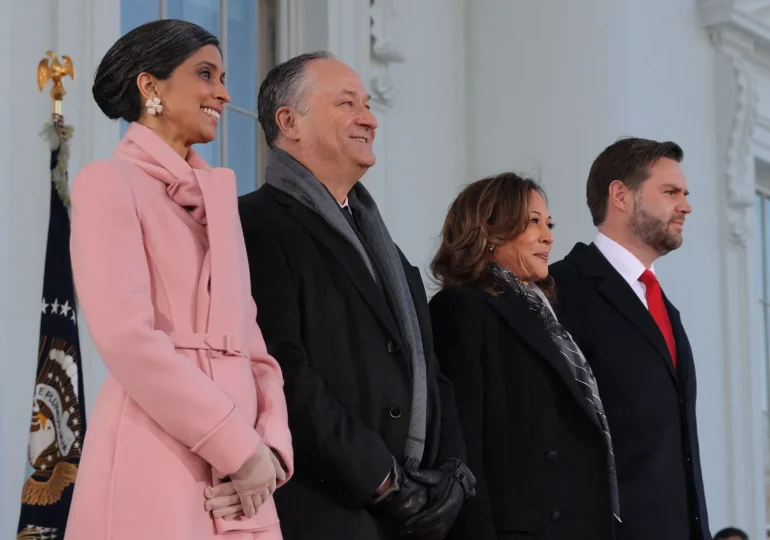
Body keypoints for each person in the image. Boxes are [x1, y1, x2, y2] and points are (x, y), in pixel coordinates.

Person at [65, 19, 293, 540]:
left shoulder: (220, 201)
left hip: (244, 480)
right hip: (156, 454)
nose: (224, 92)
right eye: (205, 74)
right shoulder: (108, 183)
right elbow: (127, 338)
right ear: (151, 87)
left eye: (223, 75)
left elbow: (254, 345)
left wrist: (271, 449)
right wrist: (237, 445)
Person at [236, 51, 475, 539]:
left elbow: (432, 372)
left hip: (408, 518)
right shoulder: (254, 223)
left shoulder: (384, 246)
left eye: (367, 104)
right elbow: (282, 373)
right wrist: (381, 480)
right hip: (325, 511)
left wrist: (453, 474)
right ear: (289, 121)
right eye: (348, 104)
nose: (369, 119)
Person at [429, 173, 619, 539]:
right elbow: (462, 447)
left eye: (548, 224)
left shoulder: (548, 317)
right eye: (533, 222)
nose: (548, 236)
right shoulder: (461, 308)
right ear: (488, 229)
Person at [549, 137, 710, 540]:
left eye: (685, 194)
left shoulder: (663, 307)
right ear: (620, 195)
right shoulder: (560, 289)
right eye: (670, 192)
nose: (685, 205)